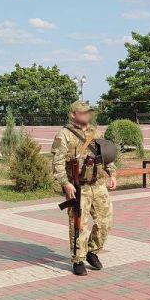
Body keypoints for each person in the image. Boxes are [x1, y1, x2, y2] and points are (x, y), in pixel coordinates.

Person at [50, 101, 117, 276]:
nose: (87, 115)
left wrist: (112, 173)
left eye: (89, 112)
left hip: (98, 184)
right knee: (79, 224)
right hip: (79, 186)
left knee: (105, 221)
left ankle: (91, 251)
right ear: (73, 114)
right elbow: (57, 163)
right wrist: (66, 183)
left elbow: (105, 155)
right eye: (83, 112)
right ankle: (78, 259)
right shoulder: (64, 135)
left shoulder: (96, 132)